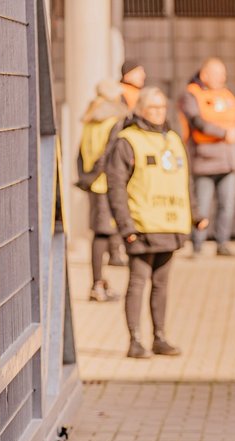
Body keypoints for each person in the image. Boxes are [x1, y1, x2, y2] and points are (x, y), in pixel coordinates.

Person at [107, 87, 209, 358]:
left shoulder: (173, 139)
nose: (157, 113)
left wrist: (195, 215)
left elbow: (183, 182)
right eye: (152, 108)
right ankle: (135, 341)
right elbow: (115, 187)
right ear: (140, 109)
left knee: (162, 285)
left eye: (161, 107)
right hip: (141, 226)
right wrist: (125, 226)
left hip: (170, 224)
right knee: (138, 282)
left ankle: (159, 337)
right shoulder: (127, 141)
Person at [178, 57, 235, 256]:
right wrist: (224, 134)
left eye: (223, 74)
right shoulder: (192, 95)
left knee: (227, 205)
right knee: (202, 205)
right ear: (204, 74)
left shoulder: (227, 95)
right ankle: (197, 245)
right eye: (218, 74)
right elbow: (197, 121)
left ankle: (222, 243)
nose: (223, 78)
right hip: (204, 161)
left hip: (229, 162)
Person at [76, 79, 129, 302]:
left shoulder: (90, 119)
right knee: (102, 234)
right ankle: (97, 284)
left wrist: (84, 178)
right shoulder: (114, 120)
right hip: (105, 183)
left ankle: (99, 282)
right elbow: (107, 155)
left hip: (93, 183)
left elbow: (80, 153)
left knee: (100, 233)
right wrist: (97, 176)